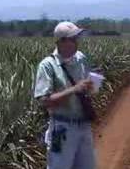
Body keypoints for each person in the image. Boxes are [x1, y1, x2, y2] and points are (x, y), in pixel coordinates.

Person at [34, 21, 96, 169]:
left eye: (76, 39)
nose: (76, 43)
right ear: (61, 41)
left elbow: (86, 88)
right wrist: (74, 89)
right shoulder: (47, 65)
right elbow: (45, 100)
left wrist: (92, 83)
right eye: (73, 39)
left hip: (84, 126)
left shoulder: (81, 58)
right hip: (61, 128)